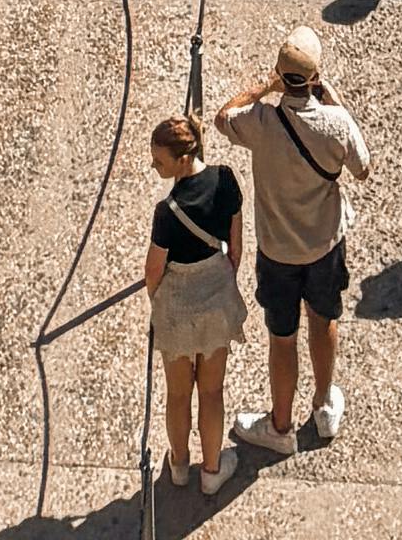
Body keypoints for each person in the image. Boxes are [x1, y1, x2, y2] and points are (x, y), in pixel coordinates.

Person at [221, 30, 372, 456]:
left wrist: (262, 88)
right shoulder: (335, 122)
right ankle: (324, 406)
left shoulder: (261, 122)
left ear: (280, 75)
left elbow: (222, 117)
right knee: (323, 320)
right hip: (324, 246)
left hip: (277, 253)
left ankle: (280, 426)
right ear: (315, 78)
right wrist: (335, 101)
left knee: (282, 337)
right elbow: (363, 168)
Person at [144, 109, 250, 491]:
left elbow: (153, 271)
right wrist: (221, 282)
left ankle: (178, 465)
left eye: (160, 161)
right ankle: (212, 471)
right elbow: (236, 247)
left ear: (183, 158)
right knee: (211, 391)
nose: (154, 166)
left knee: (177, 394)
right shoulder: (225, 180)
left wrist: (159, 304)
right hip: (216, 299)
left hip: (177, 307)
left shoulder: (167, 212)